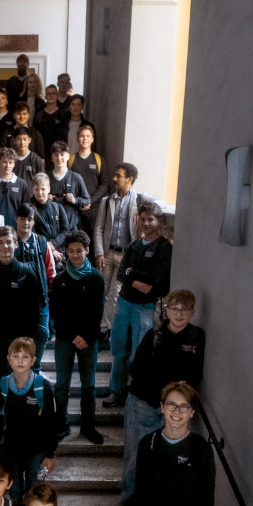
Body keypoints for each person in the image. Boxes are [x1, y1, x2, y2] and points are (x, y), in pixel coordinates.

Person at [122, 291, 205, 504]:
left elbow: (195, 375)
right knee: (136, 456)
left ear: (192, 313)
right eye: (174, 308)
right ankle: (130, 505)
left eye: (184, 310)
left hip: (174, 408)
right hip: (144, 403)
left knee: (167, 459)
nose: (179, 314)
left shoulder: (197, 337)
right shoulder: (154, 336)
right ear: (167, 310)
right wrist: (166, 390)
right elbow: (136, 370)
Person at [105, 200, 172, 407]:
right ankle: (117, 392)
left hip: (145, 307)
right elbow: (122, 272)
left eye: (150, 219)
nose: (145, 223)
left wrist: (132, 274)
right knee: (119, 350)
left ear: (158, 220)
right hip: (124, 303)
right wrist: (135, 279)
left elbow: (158, 280)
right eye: (142, 219)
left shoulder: (164, 247)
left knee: (139, 353)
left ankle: (135, 394)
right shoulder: (134, 245)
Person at [0, 227, 41, 432]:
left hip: (19, 346)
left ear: (16, 244)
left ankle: (18, 434)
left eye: (9, 242)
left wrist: (28, 346)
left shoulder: (27, 274)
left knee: (19, 391)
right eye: (1, 242)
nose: (5, 247)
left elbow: (34, 314)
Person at [50, 230, 105, 443]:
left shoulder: (96, 279)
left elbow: (97, 312)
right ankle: (61, 425)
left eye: (79, 251)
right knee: (62, 385)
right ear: (66, 252)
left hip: (88, 340)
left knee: (88, 385)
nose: (74, 255)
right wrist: (72, 335)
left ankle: (88, 427)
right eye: (70, 251)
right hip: (65, 339)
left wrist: (86, 336)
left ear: (87, 251)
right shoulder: (60, 279)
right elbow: (56, 312)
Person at [0, 336, 58, 504]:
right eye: (16, 356)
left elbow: (50, 422)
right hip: (11, 450)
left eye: (25, 357)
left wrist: (50, 454)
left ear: (33, 361)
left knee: (34, 492)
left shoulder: (41, 386)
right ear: (8, 359)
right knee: (14, 491)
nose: (20, 361)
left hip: (36, 451)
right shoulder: (3, 385)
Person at [94, 162, 140, 337]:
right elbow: (98, 228)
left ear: (130, 179)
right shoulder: (107, 201)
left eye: (118, 176)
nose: (114, 179)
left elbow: (159, 204)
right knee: (101, 291)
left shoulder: (139, 200)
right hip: (107, 253)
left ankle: (104, 328)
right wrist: (99, 252)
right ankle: (99, 324)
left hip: (125, 257)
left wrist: (141, 212)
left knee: (115, 293)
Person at [14, 203, 55, 363]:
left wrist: (50, 293)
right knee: (20, 337)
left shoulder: (41, 242)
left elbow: (50, 271)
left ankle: (35, 368)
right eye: (22, 218)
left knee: (42, 334)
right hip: (16, 300)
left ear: (33, 221)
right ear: (16, 218)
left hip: (39, 298)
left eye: (29, 219)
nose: (26, 222)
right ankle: (20, 370)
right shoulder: (9, 241)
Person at [31, 172, 75, 264]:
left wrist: (53, 244)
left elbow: (66, 231)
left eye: (43, 189)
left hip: (60, 254)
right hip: (40, 254)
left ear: (49, 189)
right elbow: (32, 234)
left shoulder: (58, 207)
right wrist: (48, 248)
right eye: (37, 189)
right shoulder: (30, 210)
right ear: (33, 190)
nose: (40, 192)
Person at [69, 123, 106, 232]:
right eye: (82, 136)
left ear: (92, 139)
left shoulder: (99, 160)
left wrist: (90, 201)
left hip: (93, 208)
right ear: (77, 139)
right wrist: (76, 201)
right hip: (75, 208)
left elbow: (104, 184)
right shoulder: (70, 160)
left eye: (88, 136)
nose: (85, 139)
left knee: (93, 241)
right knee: (76, 241)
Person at [47, 141, 91, 226]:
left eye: (62, 154)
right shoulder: (46, 177)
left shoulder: (76, 178)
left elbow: (87, 201)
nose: (59, 158)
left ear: (68, 156)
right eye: (56, 155)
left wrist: (75, 200)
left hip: (70, 226)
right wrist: (45, 199)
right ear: (52, 157)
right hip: (52, 226)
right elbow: (36, 200)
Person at [0, 147, 33, 225]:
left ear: (14, 164)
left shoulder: (22, 184)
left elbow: (27, 210)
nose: (7, 165)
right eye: (4, 162)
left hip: (16, 230)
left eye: (10, 162)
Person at [34, 84, 68, 161]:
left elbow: (65, 137)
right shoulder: (39, 116)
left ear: (58, 95)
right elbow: (35, 137)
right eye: (49, 94)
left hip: (58, 156)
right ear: (45, 96)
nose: (51, 96)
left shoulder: (64, 115)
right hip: (42, 156)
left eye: (54, 93)